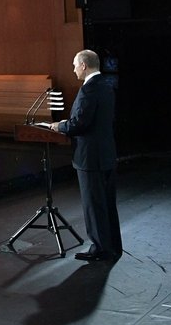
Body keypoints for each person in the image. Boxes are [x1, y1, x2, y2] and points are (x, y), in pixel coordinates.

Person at [50, 49, 122, 261]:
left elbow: (79, 124)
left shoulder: (89, 90)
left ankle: (100, 250)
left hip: (90, 158)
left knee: (93, 205)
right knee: (107, 204)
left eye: (74, 65)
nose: (73, 69)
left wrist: (59, 126)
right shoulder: (107, 87)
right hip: (107, 154)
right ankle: (113, 247)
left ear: (83, 65)